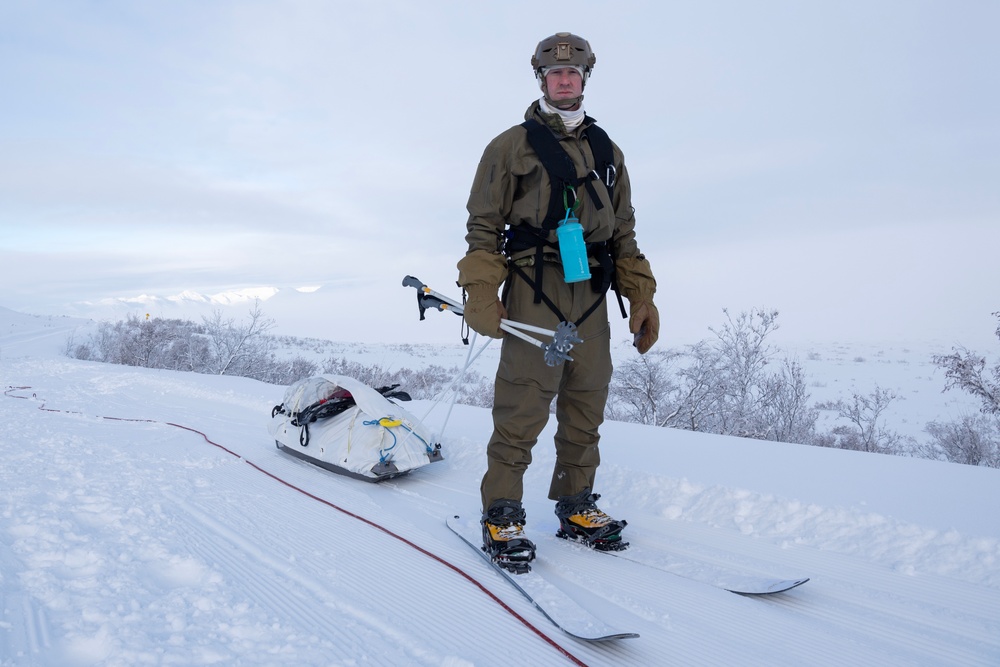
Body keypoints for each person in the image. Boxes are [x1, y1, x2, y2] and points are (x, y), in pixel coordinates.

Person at [457, 32, 659, 573]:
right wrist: (481, 289)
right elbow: (483, 228)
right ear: (542, 79)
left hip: (592, 288)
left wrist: (641, 295)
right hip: (533, 285)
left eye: (573, 73)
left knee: (586, 402)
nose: (564, 80)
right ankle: (501, 511)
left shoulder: (607, 152)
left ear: (585, 78)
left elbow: (625, 232)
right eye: (554, 73)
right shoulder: (509, 147)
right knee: (523, 402)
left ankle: (575, 504)